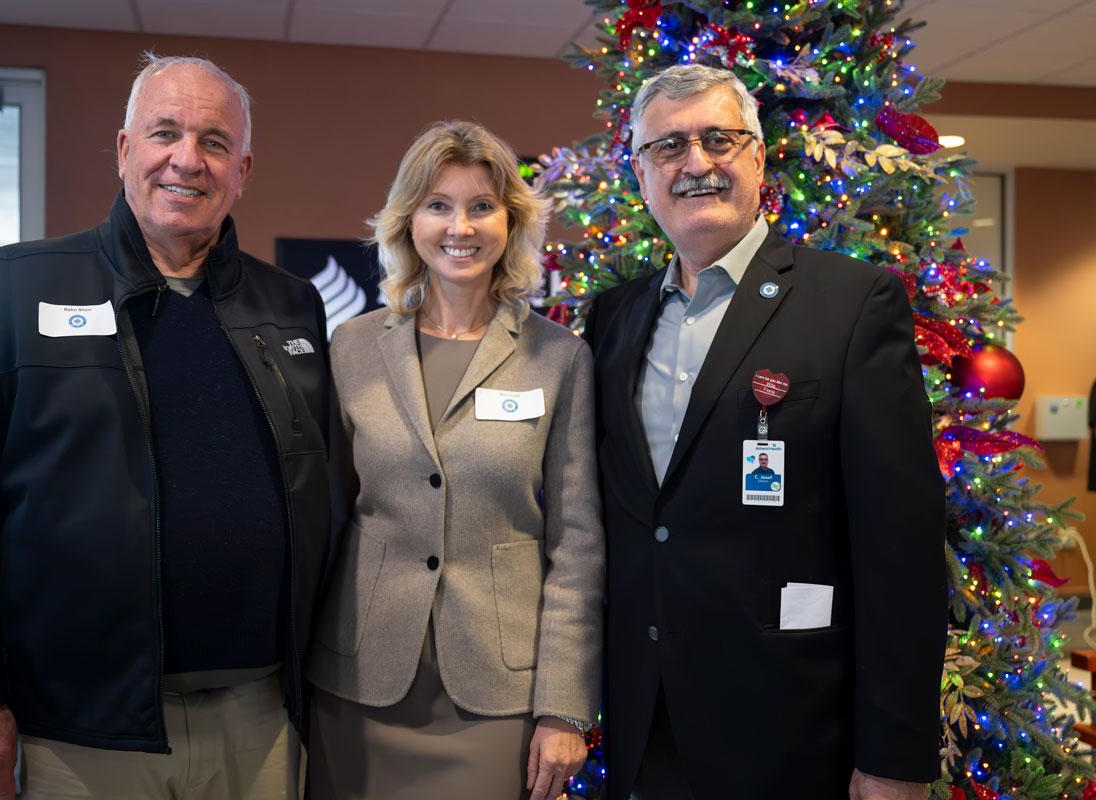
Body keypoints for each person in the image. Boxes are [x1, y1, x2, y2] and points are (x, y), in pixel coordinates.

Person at [0, 53, 339, 800]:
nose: (187, 160)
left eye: (214, 142)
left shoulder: (291, 306)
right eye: (165, 133)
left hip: (261, 718)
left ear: (243, 169)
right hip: (79, 729)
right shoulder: (14, 288)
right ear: (124, 149)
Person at [582, 64, 946, 799]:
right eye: (668, 148)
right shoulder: (612, 318)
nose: (696, 164)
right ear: (641, 174)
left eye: (719, 138)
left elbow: (900, 551)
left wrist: (895, 756)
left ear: (756, 157)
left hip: (790, 730)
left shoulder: (852, 303)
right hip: (643, 725)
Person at [305, 120, 603, 800]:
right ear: (408, 221)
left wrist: (563, 709)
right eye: (438, 205)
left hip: (496, 696)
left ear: (512, 221)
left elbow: (578, 547)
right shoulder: (351, 349)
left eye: (481, 206)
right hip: (359, 683)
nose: (459, 226)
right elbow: (322, 516)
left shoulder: (560, 359)